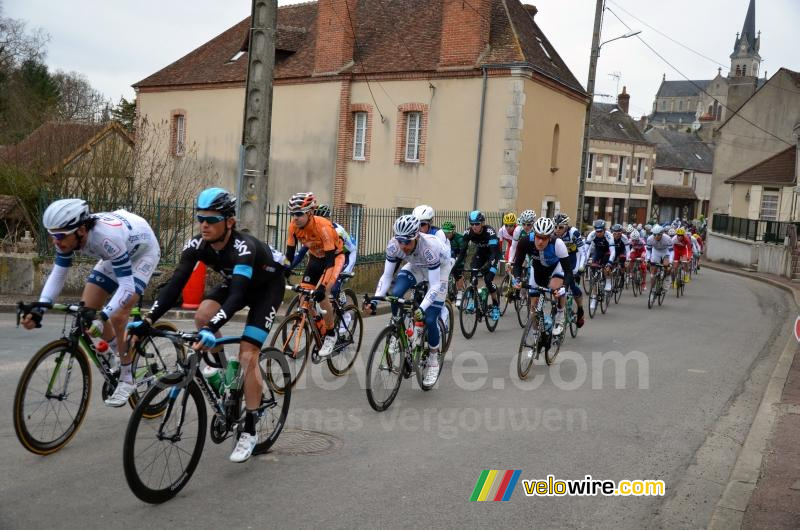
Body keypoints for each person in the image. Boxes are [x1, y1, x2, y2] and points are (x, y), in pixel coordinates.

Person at [127, 188, 287, 463]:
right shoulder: (196, 245)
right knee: (201, 315)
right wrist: (149, 320)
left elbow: (237, 297)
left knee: (248, 354)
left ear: (229, 222)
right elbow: (175, 284)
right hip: (237, 281)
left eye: (211, 220)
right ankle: (223, 374)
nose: (204, 224)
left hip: (266, 288)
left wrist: (212, 329)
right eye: (200, 218)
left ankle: (249, 429)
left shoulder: (244, 248)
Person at [21, 199, 160, 407]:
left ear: (82, 230)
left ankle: (127, 378)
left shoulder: (105, 238)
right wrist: (40, 308)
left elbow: (127, 287)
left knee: (116, 316)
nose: (55, 242)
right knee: (86, 313)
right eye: (52, 235)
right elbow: (59, 274)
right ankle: (118, 355)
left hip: (142, 253)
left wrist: (103, 317)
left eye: (59, 236)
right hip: (118, 254)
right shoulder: (69, 237)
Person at [364, 215, 451, 386]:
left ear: (417, 236)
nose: (403, 246)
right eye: (400, 241)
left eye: (407, 242)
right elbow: (387, 275)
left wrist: (423, 308)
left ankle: (433, 359)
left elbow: (434, 286)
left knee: (430, 318)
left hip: (439, 270)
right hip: (417, 266)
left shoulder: (429, 247)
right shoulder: (394, 245)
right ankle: (398, 330)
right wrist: (374, 301)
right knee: (396, 293)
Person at [284, 192, 344, 358]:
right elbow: (289, 256)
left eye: (298, 214)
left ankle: (331, 333)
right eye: (292, 214)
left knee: (321, 294)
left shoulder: (323, 226)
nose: (294, 218)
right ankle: (319, 324)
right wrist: (283, 270)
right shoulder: (293, 227)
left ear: (310, 212)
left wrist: (323, 286)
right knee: (304, 297)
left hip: (334, 258)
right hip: (315, 258)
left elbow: (330, 262)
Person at [512, 217, 574, 338]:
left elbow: (568, 271)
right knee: (533, 307)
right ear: (534, 234)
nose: (540, 241)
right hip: (538, 269)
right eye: (538, 237)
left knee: (555, 288)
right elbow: (517, 264)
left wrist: (564, 287)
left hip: (556, 268)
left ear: (550, 237)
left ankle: (560, 316)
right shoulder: (525, 242)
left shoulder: (558, 244)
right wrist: (517, 279)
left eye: (544, 238)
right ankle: (536, 336)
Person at [289, 204, 357, 301]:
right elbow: (301, 253)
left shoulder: (337, 231)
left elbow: (333, 256)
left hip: (347, 254)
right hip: (328, 257)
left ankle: (343, 312)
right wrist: (288, 267)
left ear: (328, 218)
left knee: (333, 287)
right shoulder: (314, 230)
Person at [453, 210, 502, 320]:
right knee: (473, 276)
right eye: (472, 224)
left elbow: (494, 253)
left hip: (492, 255)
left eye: (477, 224)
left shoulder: (490, 231)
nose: (474, 226)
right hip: (480, 254)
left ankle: (495, 306)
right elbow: (462, 252)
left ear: (482, 223)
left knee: (488, 280)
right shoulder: (468, 232)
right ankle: (471, 301)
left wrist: (489, 265)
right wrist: (456, 265)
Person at [553, 213, 586, 328]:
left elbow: (583, 252)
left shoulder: (574, 233)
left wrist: (581, 267)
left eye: (560, 227)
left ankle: (580, 309)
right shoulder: (553, 234)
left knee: (571, 282)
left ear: (566, 226)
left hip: (573, 258)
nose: (557, 230)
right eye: (555, 227)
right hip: (561, 258)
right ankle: (559, 306)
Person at [584, 219, 616, 305]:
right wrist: (584, 261)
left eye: (600, 231)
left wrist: (609, 262)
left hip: (607, 252)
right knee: (594, 277)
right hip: (598, 252)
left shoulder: (609, 235)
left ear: (604, 230)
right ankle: (594, 297)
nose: (598, 233)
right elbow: (585, 250)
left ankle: (608, 281)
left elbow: (613, 251)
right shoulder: (592, 234)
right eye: (596, 231)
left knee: (606, 267)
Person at [645, 224, 673, 291]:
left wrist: (670, 261)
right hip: (656, 251)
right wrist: (648, 259)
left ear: (662, 234)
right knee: (653, 270)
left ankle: (667, 278)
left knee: (667, 266)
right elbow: (648, 250)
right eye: (654, 235)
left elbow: (671, 251)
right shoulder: (650, 239)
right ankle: (652, 290)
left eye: (658, 235)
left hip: (665, 251)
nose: (656, 236)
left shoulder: (668, 239)